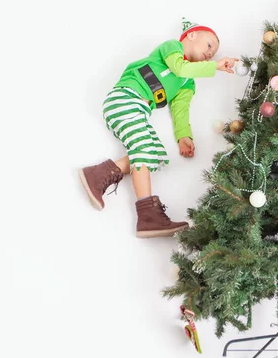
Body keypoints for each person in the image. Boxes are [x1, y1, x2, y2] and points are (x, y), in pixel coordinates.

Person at [79, 19, 238, 238]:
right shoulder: (172, 47)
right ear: (191, 36)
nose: (211, 54)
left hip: (138, 109)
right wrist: (216, 66)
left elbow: (180, 109)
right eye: (209, 45)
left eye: (214, 53)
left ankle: (98, 174)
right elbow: (179, 68)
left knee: (153, 154)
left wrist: (184, 136)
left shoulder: (188, 82)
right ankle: (148, 216)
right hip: (125, 98)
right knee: (143, 150)